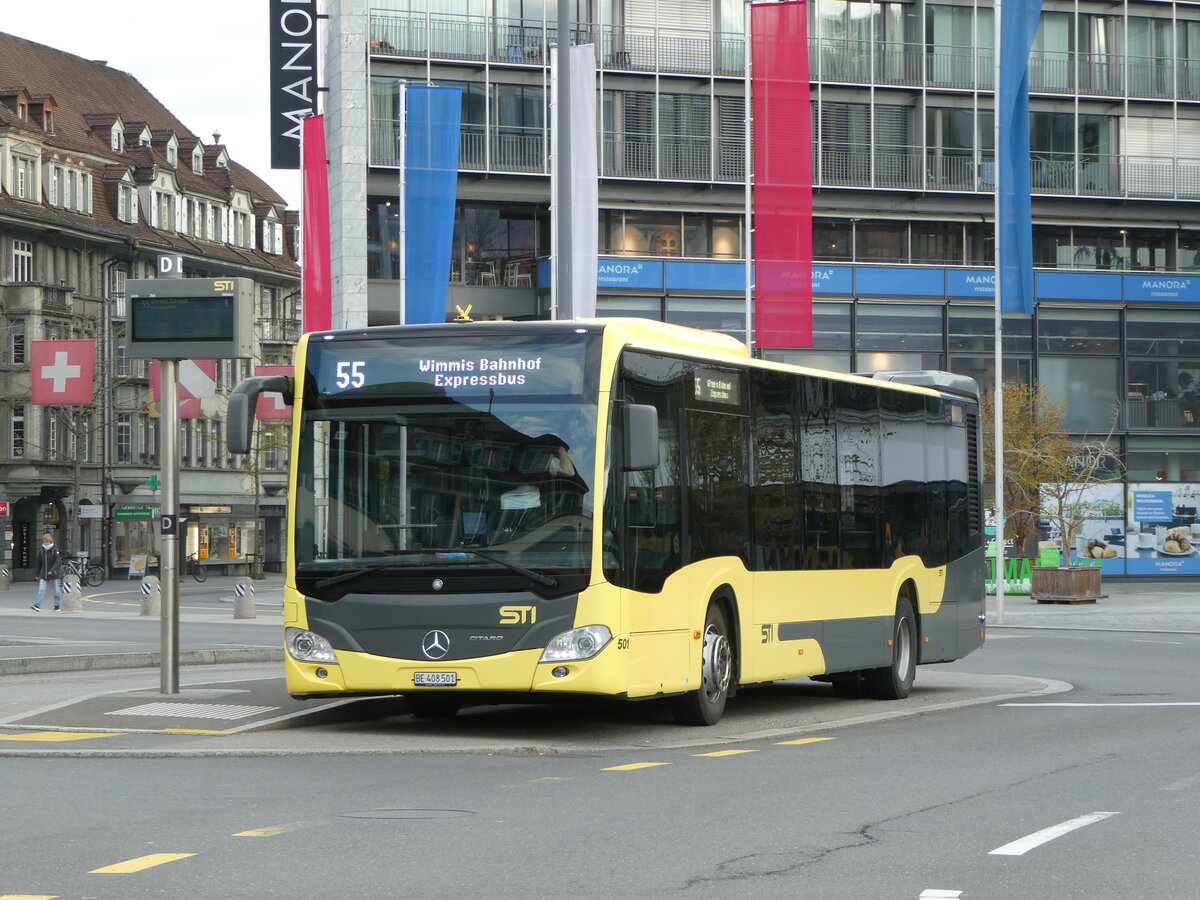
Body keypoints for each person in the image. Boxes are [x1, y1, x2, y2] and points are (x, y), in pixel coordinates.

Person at [31, 533, 63, 611]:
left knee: (57, 591)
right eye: (44, 541)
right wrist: (37, 574)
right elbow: (38, 563)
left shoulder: (55, 550)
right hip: (44, 573)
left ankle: (57, 606)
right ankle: (37, 605)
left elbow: (58, 561)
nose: (46, 543)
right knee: (41, 589)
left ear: (51, 541)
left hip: (54, 573)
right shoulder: (42, 550)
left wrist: (52, 570)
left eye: (47, 541)